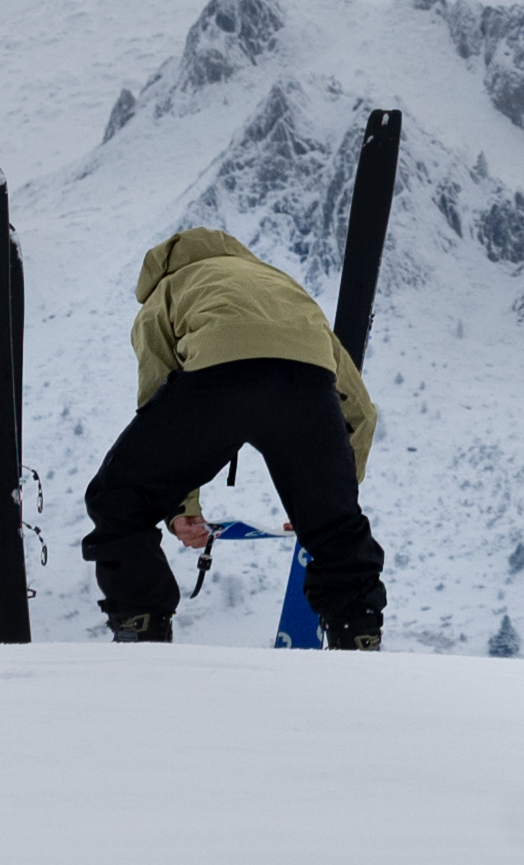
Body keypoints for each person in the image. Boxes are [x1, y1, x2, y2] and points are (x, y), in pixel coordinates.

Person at [84, 222, 382, 646]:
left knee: (118, 497)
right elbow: (361, 411)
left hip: (218, 378)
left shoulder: (166, 293)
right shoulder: (282, 287)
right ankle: (359, 634)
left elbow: (157, 402)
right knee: (337, 530)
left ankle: (141, 623)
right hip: (307, 383)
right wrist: (323, 498)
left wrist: (181, 508)